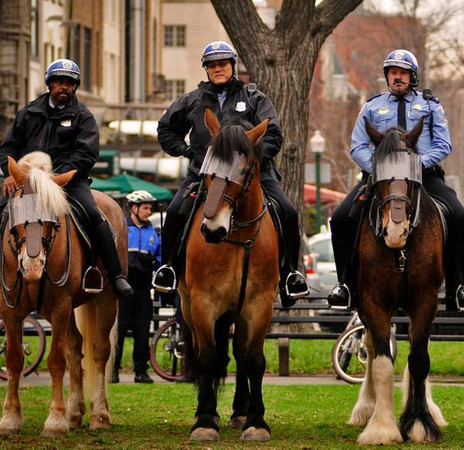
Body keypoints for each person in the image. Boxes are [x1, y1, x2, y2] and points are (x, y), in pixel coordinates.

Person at [151, 41, 308, 307]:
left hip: (253, 174)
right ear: (206, 70)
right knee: (177, 210)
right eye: (212, 65)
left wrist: (253, 159)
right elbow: (165, 130)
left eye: (222, 64)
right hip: (205, 174)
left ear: (232, 66)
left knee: (288, 212)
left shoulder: (254, 97)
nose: (218, 69)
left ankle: (290, 275)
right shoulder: (192, 100)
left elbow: (273, 133)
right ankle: (168, 270)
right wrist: (187, 151)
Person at [327, 49, 464, 311]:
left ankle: (457, 287)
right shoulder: (371, 106)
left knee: (460, 218)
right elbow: (357, 146)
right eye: (393, 73)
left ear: (413, 76)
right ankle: (345, 285)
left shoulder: (430, 105)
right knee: (341, 218)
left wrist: (416, 164)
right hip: (380, 178)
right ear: (387, 76)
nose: (397, 77)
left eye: (403, 73)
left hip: (423, 177)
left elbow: (443, 144)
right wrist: (378, 166)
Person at [0, 59, 133, 301]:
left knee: (94, 214)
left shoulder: (83, 116)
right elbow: (8, 147)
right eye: (60, 82)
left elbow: (87, 153)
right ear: (50, 84)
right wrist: (8, 172)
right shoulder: (28, 113)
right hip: (26, 182)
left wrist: (56, 176)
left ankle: (113, 274)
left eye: (70, 83)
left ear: (75, 87)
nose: (65, 87)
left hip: (69, 181)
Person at [110, 190, 161, 384]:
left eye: (150, 208)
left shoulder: (153, 232)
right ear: (134, 208)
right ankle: (113, 370)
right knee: (119, 330)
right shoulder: (123, 228)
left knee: (142, 332)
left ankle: (141, 372)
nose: (149, 212)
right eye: (146, 208)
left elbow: (159, 256)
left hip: (143, 289)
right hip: (123, 289)